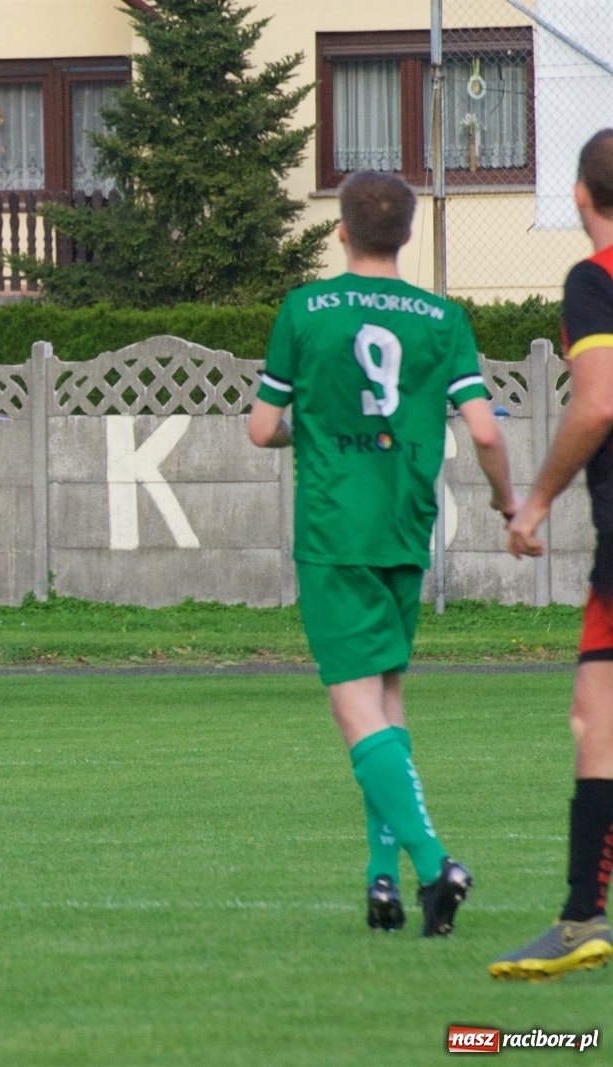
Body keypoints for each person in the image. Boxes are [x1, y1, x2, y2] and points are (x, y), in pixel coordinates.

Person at [248, 170, 518, 935]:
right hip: (405, 524)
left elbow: (262, 427)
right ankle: (380, 879)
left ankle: (434, 865)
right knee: (387, 697)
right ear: (406, 234)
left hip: (336, 526)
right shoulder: (443, 318)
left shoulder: (305, 310)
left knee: (353, 704)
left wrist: (313, 432)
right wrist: (507, 502)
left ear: (341, 230)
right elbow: (486, 430)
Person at [492, 129, 613, 981]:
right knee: (595, 709)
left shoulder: (594, 279)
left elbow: (599, 401)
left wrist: (533, 501)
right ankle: (581, 913)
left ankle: (580, 919)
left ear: (578, 196)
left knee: (598, 720)